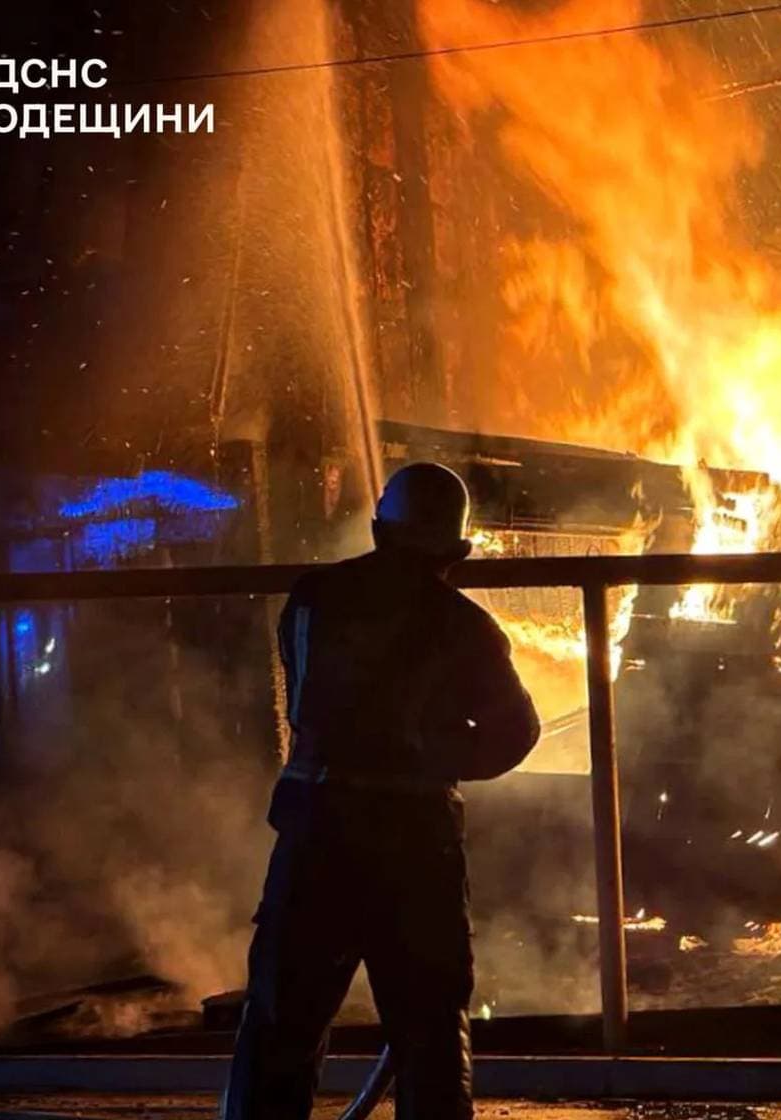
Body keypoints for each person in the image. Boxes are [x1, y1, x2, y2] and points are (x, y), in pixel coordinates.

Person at [224, 462, 541, 1120]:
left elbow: (310, 706)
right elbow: (517, 732)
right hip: (416, 846)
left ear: (377, 529)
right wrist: (436, 752)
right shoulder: (466, 626)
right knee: (430, 1031)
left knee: (281, 1022)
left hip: (316, 834)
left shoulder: (312, 599)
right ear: (456, 551)